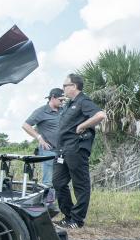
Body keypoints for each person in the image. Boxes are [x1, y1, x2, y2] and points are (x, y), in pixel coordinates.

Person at [53, 74, 106, 229]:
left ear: (74, 86)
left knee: (80, 184)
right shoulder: (70, 104)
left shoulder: (83, 101)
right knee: (58, 182)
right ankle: (68, 215)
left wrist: (83, 126)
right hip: (62, 149)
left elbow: (100, 115)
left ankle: (77, 220)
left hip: (76, 148)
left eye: (65, 86)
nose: (63, 89)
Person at [22, 88, 65, 185]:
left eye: (63, 100)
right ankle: (47, 200)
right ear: (53, 98)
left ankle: (57, 200)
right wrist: (39, 138)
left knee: (60, 181)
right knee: (48, 181)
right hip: (48, 150)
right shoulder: (41, 111)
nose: (62, 102)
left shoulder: (63, 110)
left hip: (62, 151)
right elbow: (26, 125)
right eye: (60, 100)